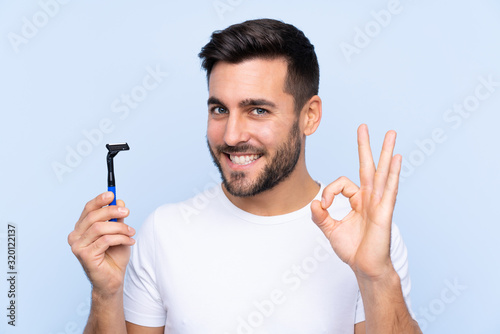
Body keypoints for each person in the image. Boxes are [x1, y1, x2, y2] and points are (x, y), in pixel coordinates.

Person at [68, 19, 422, 333]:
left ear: (310, 115)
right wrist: (106, 293)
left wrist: (376, 277)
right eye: (220, 109)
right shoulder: (165, 230)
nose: (232, 135)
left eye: (257, 110)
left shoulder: (364, 236)